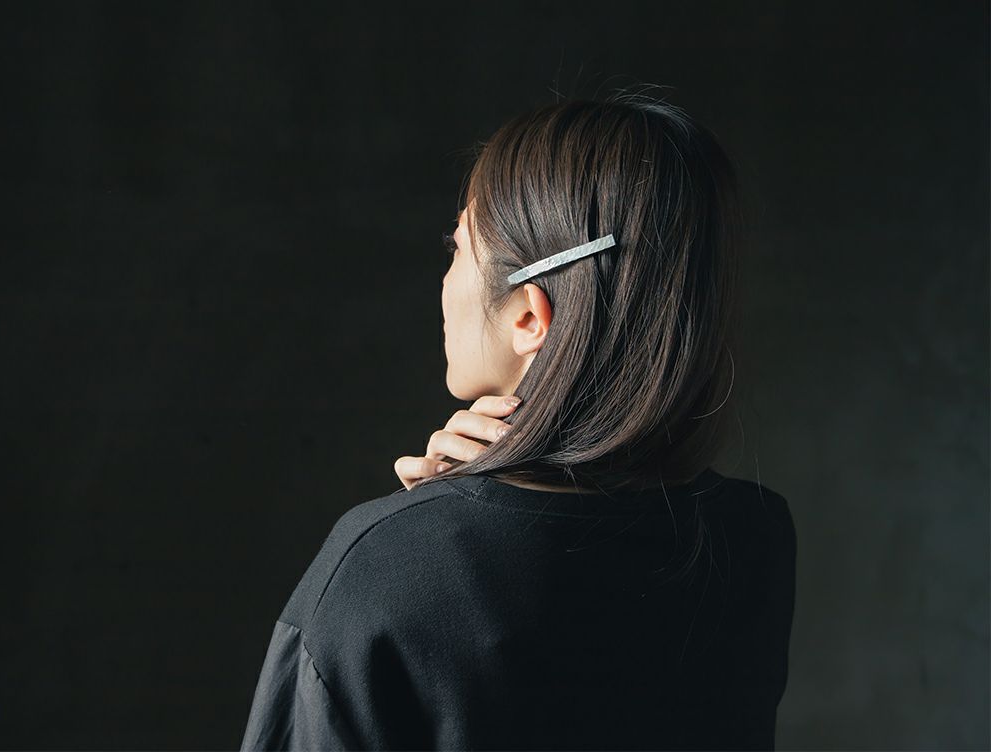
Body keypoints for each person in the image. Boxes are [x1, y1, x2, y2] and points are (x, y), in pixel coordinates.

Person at [240, 90, 797, 750]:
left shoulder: (383, 566)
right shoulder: (753, 538)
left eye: (456, 245)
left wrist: (417, 538)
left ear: (529, 315)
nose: (444, 278)